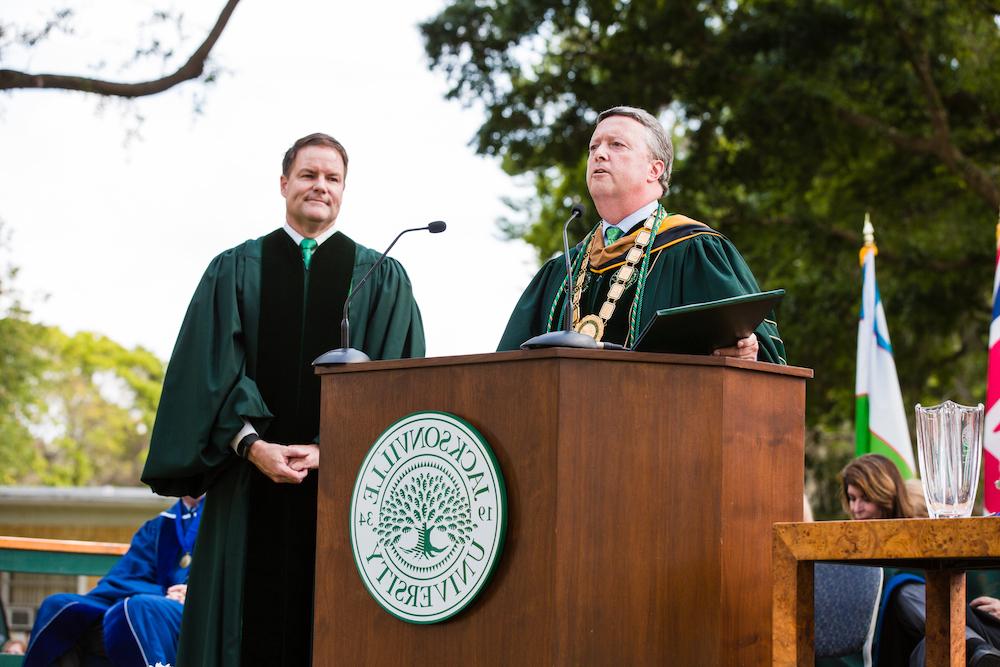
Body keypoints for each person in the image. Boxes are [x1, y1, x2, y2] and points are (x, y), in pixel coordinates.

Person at [140, 133, 426, 666]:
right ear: (284, 184)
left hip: (345, 493)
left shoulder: (379, 278)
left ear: (344, 190)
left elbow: (399, 387)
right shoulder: (234, 270)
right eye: (309, 175)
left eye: (332, 178)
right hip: (247, 486)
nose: (320, 187)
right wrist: (252, 445)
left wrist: (328, 449)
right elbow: (205, 376)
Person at [497, 105, 785, 363]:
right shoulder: (560, 273)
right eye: (593, 147)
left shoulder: (694, 251)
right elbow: (506, 370)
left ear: (654, 169)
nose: (599, 153)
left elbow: (761, 351)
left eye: (617, 144)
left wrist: (748, 352)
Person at [840, 454, 1000, 666]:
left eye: (865, 499)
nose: (856, 508)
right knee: (930, 646)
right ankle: (970, 647)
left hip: (978, 626)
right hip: (910, 639)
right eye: (852, 498)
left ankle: (969, 646)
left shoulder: (924, 535)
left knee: (905, 591)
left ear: (884, 495)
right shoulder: (843, 546)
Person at [22, 496, 203, 667]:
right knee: (59, 606)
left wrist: (195, 593)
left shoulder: (228, 517)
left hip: (199, 610)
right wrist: (164, 594)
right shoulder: (160, 525)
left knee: (140, 607)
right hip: (155, 602)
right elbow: (125, 578)